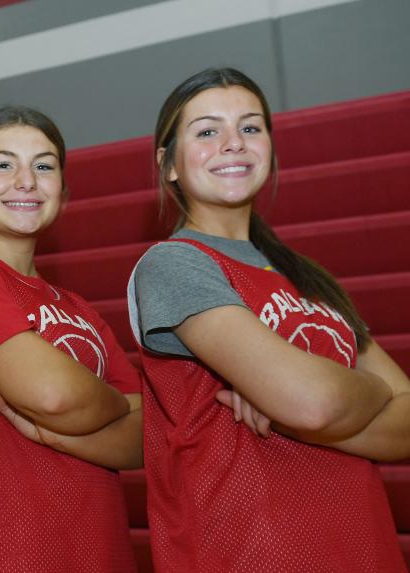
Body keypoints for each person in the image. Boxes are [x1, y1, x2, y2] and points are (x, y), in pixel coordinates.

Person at [128, 67, 409, 572]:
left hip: (364, 546)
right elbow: (314, 402)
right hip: (249, 552)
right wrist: (368, 395)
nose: (233, 144)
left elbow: (397, 424)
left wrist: (291, 412)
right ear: (167, 164)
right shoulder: (174, 265)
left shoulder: (307, 277)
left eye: (251, 128)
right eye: (208, 131)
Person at [0, 105, 143, 572]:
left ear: (63, 188)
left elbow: (145, 441)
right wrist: (119, 406)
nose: (26, 180)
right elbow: (52, 393)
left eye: (44, 165)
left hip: (101, 554)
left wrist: (58, 436)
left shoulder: (80, 309)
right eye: (2, 164)